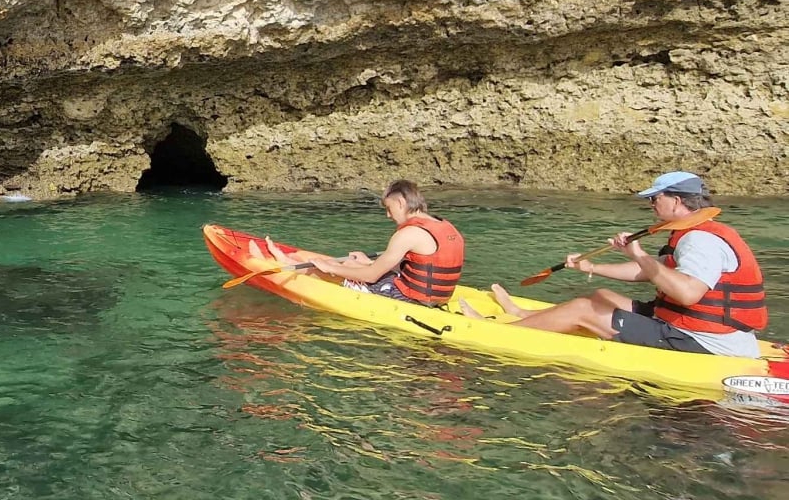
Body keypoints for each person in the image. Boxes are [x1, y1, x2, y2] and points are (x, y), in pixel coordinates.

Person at [462, 171, 767, 358]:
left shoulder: (700, 240)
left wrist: (637, 253)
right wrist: (591, 269)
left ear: (676, 201)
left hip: (706, 341)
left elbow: (687, 294)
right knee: (599, 297)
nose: (651, 205)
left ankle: (498, 331)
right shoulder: (690, 233)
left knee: (583, 310)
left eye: (655, 199)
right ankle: (523, 314)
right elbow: (650, 272)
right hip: (689, 326)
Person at [250, 180, 465, 306]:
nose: (388, 216)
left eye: (389, 209)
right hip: (436, 298)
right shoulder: (445, 225)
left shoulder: (408, 233)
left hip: (412, 300)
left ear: (401, 202)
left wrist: (332, 267)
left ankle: (286, 266)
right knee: (354, 264)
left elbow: (372, 276)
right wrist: (366, 262)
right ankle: (289, 260)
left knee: (336, 275)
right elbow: (420, 266)